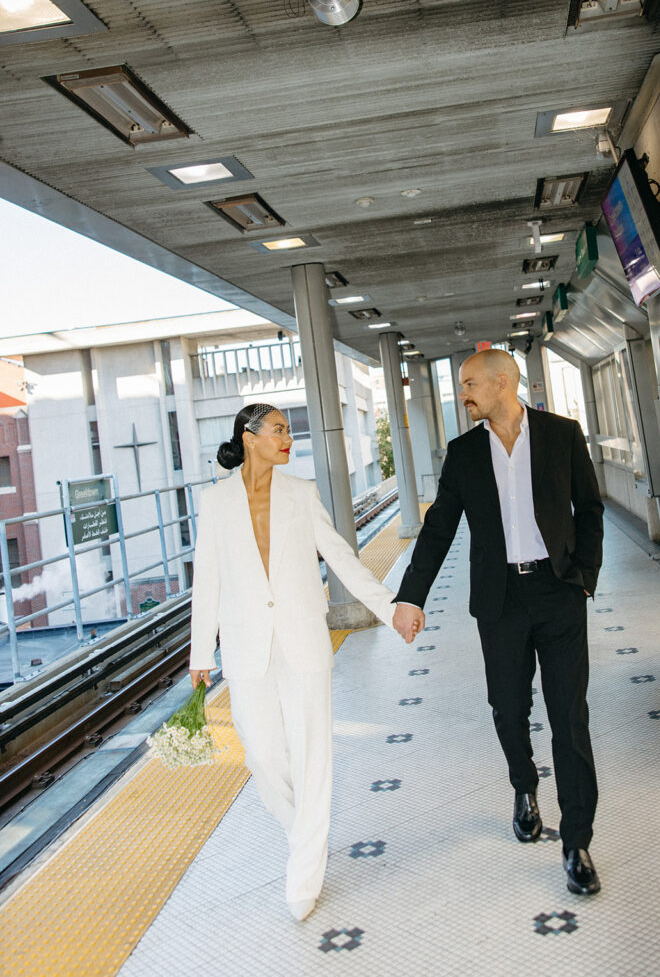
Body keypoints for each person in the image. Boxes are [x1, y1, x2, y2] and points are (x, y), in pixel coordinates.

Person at [189, 403, 420, 921]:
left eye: (288, 431)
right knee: (264, 756)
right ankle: (306, 837)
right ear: (250, 438)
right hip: (248, 649)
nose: (288, 438)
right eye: (278, 430)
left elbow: (340, 556)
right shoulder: (215, 502)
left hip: (304, 643)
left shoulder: (301, 494)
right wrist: (200, 652)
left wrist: (390, 609)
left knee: (314, 755)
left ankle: (304, 874)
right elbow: (207, 579)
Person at [393, 349, 604, 895]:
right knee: (509, 708)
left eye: (469, 384)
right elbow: (439, 528)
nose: (462, 394)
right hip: (500, 599)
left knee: (569, 715)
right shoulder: (463, 454)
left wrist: (584, 576)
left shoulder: (561, 434)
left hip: (559, 593)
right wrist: (410, 597)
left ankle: (577, 840)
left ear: (504, 382)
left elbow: (591, 508)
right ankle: (524, 787)